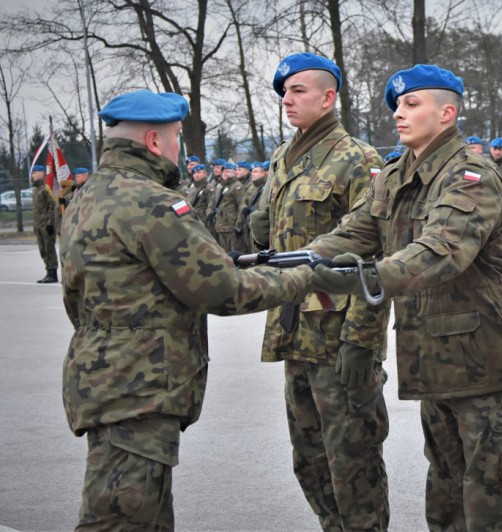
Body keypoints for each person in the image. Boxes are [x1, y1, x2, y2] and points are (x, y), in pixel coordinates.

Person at [58, 89, 312, 530]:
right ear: (155, 142)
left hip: (104, 379)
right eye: (177, 137)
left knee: (143, 516)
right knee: (119, 519)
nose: (180, 148)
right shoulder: (152, 203)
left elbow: (77, 297)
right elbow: (221, 290)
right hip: (140, 387)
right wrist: (302, 278)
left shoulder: (87, 197)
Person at [308, 64, 502, 531]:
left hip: (485, 364)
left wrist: (359, 280)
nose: (399, 113)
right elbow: (358, 231)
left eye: (412, 104)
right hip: (436, 362)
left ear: (447, 113)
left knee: (488, 502)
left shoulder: (470, 177)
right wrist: (302, 261)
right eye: (396, 105)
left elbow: (441, 251)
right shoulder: (396, 175)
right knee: (447, 499)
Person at [248, 52, 390, 531]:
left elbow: (371, 254)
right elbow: (271, 239)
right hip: (295, 333)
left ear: (329, 98)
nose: (287, 100)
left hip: (338, 335)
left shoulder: (359, 158)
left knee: (353, 463)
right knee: (308, 460)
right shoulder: (282, 157)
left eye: (298, 91)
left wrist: (363, 340)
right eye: (284, 93)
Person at [30, 164, 58, 283]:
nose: (33, 175)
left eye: (35, 173)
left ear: (42, 174)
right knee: (43, 250)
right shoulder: (36, 190)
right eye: (33, 173)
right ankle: (48, 271)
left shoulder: (47, 188)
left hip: (46, 225)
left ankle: (53, 273)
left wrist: (50, 223)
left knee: (49, 249)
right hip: (39, 225)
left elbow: (52, 207)